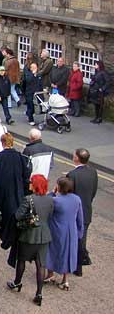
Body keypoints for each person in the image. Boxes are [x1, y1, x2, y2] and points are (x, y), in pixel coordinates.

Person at [6, 174, 54, 306]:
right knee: (40, 265)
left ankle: (17, 282)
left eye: (31, 182)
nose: (29, 184)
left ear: (35, 185)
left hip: (28, 235)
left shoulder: (28, 199)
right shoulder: (50, 200)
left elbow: (18, 216)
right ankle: (39, 293)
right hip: (44, 235)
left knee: (21, 260)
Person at [0, 133, 31, 246]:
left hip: (3, 189)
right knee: (15, 208)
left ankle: (5, 232)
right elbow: (26, 173)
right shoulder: (19, 156)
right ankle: (12, 230)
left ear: (2, 143)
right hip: (17, 187)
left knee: (4, 210)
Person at [45, 177, 84, 290]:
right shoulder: (77, 199)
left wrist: (52, 193)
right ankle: (65, 280)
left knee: (51, 251)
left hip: (56, 230)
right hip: (71, 230)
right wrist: (79, 233)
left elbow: (47, 202)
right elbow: (80, 218)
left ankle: (50, 274)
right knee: (68, 254)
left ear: (59, 187)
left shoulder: (56, 200)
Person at [67, 148, 98, 276]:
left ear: (77, 158)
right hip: (86, 210)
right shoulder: (93, 172)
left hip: (74, 212)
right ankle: (77, 266)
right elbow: (93, 192)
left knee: (73, 240)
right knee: (82, 238)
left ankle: (74, 265)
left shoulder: (72, 175)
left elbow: (68, 194)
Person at [88, 60, 109, 124]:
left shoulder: (103, 73)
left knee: (100, 105)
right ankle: (96, 117)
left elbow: (108, 82)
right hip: (95, 91)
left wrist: (102, 88)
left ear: (99, 65)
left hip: (100, 92)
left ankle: (99, 118)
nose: (95, 66)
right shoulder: (97, 72)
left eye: (96, 65)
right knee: (96, 104)